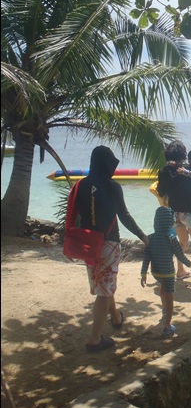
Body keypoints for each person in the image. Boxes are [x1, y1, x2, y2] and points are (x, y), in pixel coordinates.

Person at [76, 146, 149, 352]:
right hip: (108, 243)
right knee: (104, 290)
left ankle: (116, 318)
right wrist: (142, 236)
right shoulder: (112, 186)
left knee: (105, 285)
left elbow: (78, 215)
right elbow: (123, 215)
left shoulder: (81, 185)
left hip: (88, 244)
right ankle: (94, 339)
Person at [157, 141, 191, 289]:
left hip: (175, 213)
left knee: (182, 242)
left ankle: (180, 271)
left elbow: (161, 192)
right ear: (183, 155)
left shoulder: (163, 172)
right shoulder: (187, 171)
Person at [140, 207, 191, 336]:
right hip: (168, 272)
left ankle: (164, 309)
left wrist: (143, 273)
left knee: (162, 289)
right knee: (170, 298)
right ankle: (167, 326)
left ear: (155, 222)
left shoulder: (150, 238)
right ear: (170, 222)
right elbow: (180, 256)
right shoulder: (171, 238)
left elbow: (146, 257)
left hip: (156, 273)